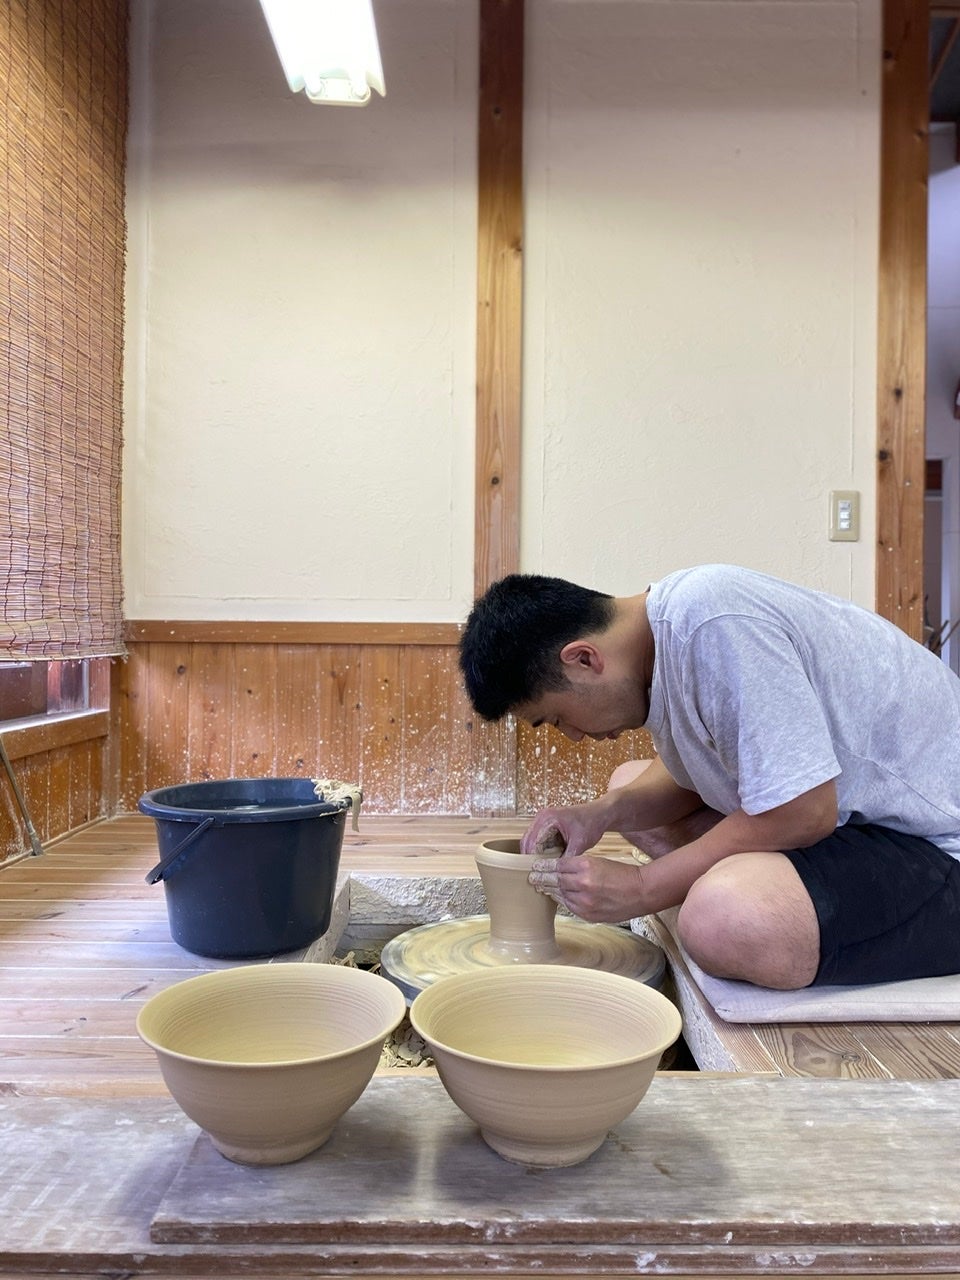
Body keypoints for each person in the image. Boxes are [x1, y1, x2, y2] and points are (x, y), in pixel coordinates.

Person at [458, 563, 960, 990]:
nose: (570, 735)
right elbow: (699, 770)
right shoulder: (673, 627)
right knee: (628, 785)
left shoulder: (715, 624)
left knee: (719, 918)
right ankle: (759, 891)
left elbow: (804, 811)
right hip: (859, 821)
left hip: (938, 845)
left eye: (556, 717)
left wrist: (645, 887)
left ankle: (755, 905)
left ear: (584, 659)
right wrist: (601, 814)